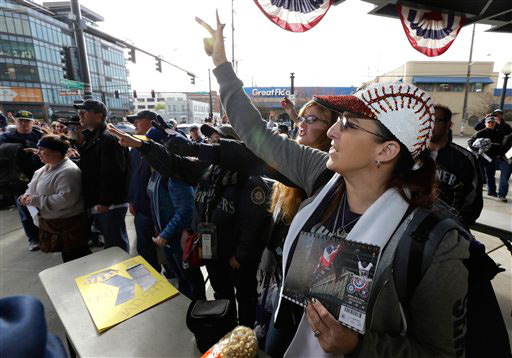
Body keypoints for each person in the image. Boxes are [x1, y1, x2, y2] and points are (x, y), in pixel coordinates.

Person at [197, 14, 468, 357]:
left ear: (386, 151)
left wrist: (359, 346)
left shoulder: (433, 243)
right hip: (288, 335)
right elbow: (256, 134)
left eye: (349, 125)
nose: (331, 133)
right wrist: (221, 66)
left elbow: (441, 353)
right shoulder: (322, 175)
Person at [108, 122, 272, 329]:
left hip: (236, 257)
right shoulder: (209, 169)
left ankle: (246, 336)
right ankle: (229, 334)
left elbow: (255, 225)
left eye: (219, 140)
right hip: (212, 250)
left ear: (237, 147)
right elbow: (174, 164)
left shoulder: (251, 180)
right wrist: (144, 147)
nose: (213, 142)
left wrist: (241, 255)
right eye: (213, 138)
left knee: (246, 297)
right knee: (221, 295)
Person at [145, 128, 206, 300]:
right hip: (167, 236)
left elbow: (186, 210)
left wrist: (165, 233)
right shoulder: (158, 173)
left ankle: (197, 312)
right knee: (181, 279)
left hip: (179, 238)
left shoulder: (176, 177)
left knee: (191, 281)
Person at [19, 135, 90, 262]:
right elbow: (31, 188)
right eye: (38, 149)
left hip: (69, 225)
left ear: (56, 152)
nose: (37, 152)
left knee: (78, 257)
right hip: (55, 225)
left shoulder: (68, 171)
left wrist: (36, 200)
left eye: (42, 149)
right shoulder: (43, 169)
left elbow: (66, 199)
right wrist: (25, 197)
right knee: (69, 256)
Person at [75, 99, 130, 252]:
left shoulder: (108, 139)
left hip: (109, 204)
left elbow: (113, 173)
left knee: (115, 244)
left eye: (84, 112)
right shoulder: (93, 137)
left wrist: (104, 201)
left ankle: (122, 273)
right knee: (110, 242)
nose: (80, 115)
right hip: (100, 201)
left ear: (98, 116)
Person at [428, 105, 483, 225]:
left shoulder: (465, 159)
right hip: (410, 225)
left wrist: (458, 224)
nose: (430, 124)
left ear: (449, 124)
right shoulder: (412, 153)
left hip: (447, 227)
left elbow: (473, 199)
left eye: (436, 120)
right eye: (427, 119)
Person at [0, 110, 43, 251]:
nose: (24, 124)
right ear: (15, 122)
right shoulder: (6, 137)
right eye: (20, 121)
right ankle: (33, 239)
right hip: (18, 179)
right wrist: (22, 151)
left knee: (42, 208)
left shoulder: (39, 135)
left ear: (33, 122)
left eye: (27, 121)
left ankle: (46, 235)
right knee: (25, 210)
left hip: (39, 177)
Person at [468, 116, 504, 198]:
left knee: (491, 175)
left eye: (493, 122)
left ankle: (492, 191)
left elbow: (501, 145)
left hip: (492, 159)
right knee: (479, 175)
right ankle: (477, 191)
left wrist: (499, 154)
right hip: (481, 158)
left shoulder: (499, 134)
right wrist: (477, 151)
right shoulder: (480, 133)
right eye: (489, 122)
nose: (491, 124)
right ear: (485, 124)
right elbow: (470, 142)